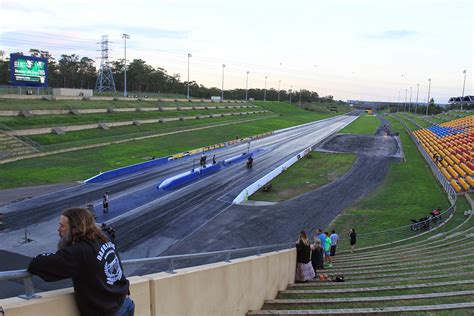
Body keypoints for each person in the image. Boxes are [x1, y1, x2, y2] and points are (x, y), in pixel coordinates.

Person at [28, 208, 133, 316]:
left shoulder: (78, 252)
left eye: (62, 225)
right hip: (125, 302)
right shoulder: (104, 238)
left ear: (74, 229)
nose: (58, 229)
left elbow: (36, 264)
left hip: (109, 312)